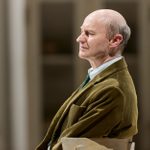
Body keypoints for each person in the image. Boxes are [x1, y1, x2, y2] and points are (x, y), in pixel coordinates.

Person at [36, 9, 138, 150]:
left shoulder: (113, 89)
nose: (79, 38)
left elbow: (70, 145)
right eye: (81, 31)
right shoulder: (100, 79)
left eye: (89, 33)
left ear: (115, 40)